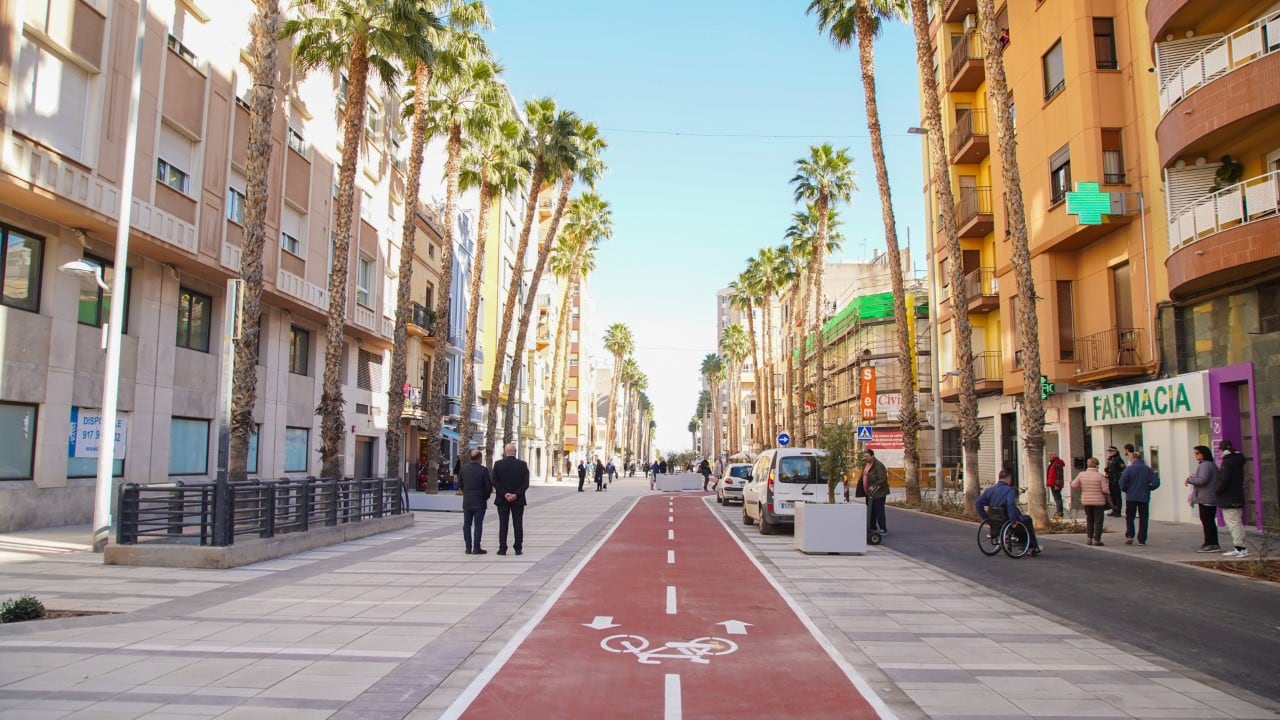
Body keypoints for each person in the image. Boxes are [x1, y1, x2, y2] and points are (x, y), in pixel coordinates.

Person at [976, 469, 1042, 555]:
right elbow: (1011, 505)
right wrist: (1013, 521)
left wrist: (986, 518)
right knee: (1027, 520)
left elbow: (978, 503)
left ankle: (1021, 541)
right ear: (1008, 478)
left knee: (1019, 520)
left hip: (994, 519)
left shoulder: (990, 490)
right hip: (1006, 518)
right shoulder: (1009, 490)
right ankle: (1031, 546)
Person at [492, 442, 529, 556]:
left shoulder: (498, 464)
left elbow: (495, 482)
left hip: (502, 500)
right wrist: (516, 494)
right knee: (518, 524)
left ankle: (502, 548)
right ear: (515, 452)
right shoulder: (522, 465)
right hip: (518, 500)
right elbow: (525, 483)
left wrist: (505, 494)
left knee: (503, 524)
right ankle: (518, 548)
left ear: (505, 452)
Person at [1215, 440, 1248, 558]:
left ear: (1221, 450)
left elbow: (1225, 480)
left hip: (1229, 498)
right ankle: (1241, 547)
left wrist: (1217, 491)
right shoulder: (1237, 460)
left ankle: (1239, 548)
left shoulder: (1227, 462)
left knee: (1233, 523)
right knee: (1237, 522)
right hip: (1237, 496)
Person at [1118, 449, 1160, 545]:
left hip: (1131, 497)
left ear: (1133, 459)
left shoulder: (1129, 469)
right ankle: (1142, 539)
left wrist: (1126, 490)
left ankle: (1130, 535)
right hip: (1144, 497)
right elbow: (1156, 482)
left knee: (1130, 516)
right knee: (1143, 517)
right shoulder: (1148, 469)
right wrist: (1149, 488)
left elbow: (1122, 483)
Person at [1186, 445, 1220, 553]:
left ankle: (1210, 543)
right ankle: (1213, 543)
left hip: (1206, 497)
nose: (1195, 456)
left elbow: (1202, 480)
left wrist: (1190, 480)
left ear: (1203, 454)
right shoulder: (1210, 464)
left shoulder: (1205, 465)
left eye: (1197, 453)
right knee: (1209, 521)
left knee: (1207, 522)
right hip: (1210, 497)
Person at [1070, 457, 1110, 546]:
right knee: (1098, 521)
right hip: (1099, 501)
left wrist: (1081, 489)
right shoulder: (1100, 475)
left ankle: (1089, 538)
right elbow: (1105, 490)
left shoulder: (1081, 474)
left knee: (1090, 519)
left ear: (1088, 464)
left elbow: (1073, 484)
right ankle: (1097, 539)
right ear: (1097, 465)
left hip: (1086, 500)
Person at [458, 449, 492, 555]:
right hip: (480, 501)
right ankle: (476, 547)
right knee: (478, 525)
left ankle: (468, 547)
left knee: (467, 525)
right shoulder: (483, 470)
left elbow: (460, 485)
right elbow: (488, 487)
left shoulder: (463, 469)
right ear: (480, 458)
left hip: (467, 501)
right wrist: (485, 497)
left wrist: (466, 493)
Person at [861, 448, 890, 535]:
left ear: (872, 456)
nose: (865, 458)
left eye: (867, 456)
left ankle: (883, 528)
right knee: (871, 511)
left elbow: (883, 478)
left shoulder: (878, 465)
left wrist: (874, 486)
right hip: (869, 493)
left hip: (878, 493)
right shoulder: (866, 464)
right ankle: (872, 527)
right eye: (864, 456)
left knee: (879, 511)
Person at [1104, 446, 1125, 517]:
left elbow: (1123, 468)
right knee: (1112, 495)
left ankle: (1118, 511)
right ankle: (1114, 509)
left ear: (1115, 452)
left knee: (1117, 495)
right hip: (1110, 478)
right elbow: (1109, 468)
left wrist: (1118, 475)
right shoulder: (1110, 459)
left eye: (1111, 451)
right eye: (1109, 451)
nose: (1109, 453)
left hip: (1116, 479)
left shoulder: (1118, 459)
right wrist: (1107, 470)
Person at [1046, 451, 1066, 518]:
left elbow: (1059, 474)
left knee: (1058, 498)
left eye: (1051, 454)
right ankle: (1059, 512)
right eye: (1049, 454)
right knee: (1056, 498)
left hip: (1055, 484)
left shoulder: (1057, 463)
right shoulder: (1052, 463)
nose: (1050, 456)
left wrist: (1057, 484)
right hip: (1052, 483)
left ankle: (1060, 513)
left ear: (1055, 455)